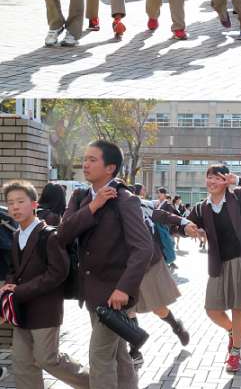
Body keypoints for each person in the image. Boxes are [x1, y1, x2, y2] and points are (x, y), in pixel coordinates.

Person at [58, 140, 154, 389]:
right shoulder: (81, 197)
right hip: (91, 292)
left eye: (92, 160)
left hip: (114, 296)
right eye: (85, 158)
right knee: (120, 356)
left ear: (110, 168)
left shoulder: (125, 200)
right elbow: (63, 235)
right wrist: (93, 206)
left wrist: (124, 288)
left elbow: (143, 248)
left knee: (100, 357)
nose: (85, 164)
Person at [1, 180, 89, 389]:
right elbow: (14, 269)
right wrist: (9, 286)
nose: (15, 207)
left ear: (34, 204)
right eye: (10, 202)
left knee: (48, 359)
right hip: (21, 310)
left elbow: (57, 274)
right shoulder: (16, 235)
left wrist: (20, 290)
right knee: (22, 364)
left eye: (20, 201)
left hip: (45, 309)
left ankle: (97, 383)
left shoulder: (49, 235)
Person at [184, 164, 241, 373]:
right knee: (212, 309)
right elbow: (184, 223)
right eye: (210, 177)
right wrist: (186, 228)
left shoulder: (240, 197)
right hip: (219, 263)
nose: (212, 182)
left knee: (238, 307)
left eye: (218, 178)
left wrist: (238, 180)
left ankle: (235, 353)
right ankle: (232, 330)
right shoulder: (201, 207)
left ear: (226, 180)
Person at [126, 193, 197, 366]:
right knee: (129, 309)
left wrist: (185, 222)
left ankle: (176, 326)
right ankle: (134, 351)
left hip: (148, 263)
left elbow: (163, 216)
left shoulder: (137, 204)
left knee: (158, 308)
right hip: (124, 265)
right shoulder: (104, 205)